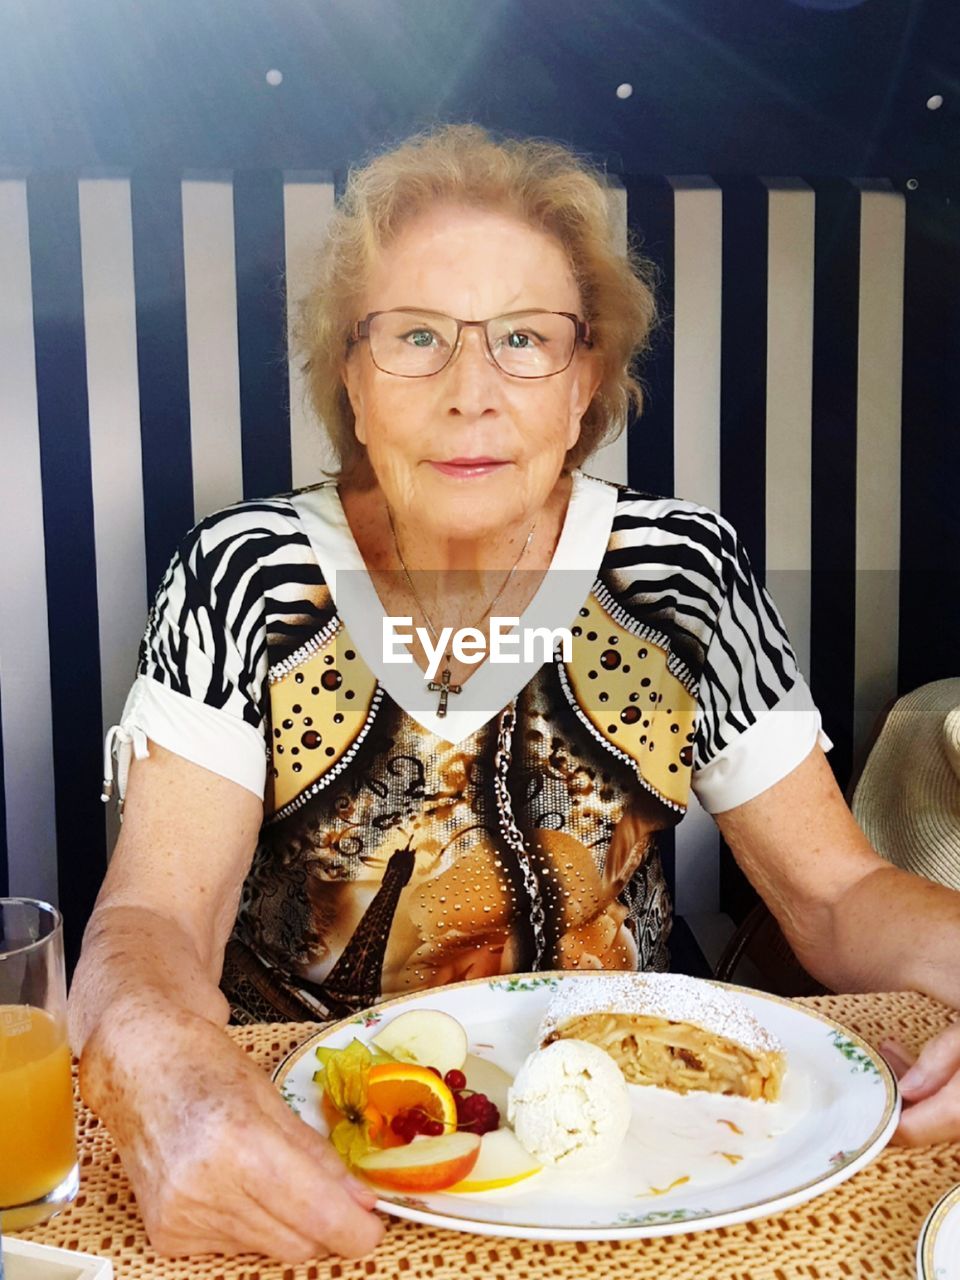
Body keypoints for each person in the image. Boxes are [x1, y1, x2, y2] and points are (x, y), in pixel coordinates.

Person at [69, 124, 960, 1262]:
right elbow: (151, 920)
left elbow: (838, 894)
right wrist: (163, 1075)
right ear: (349, 371)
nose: (471, 392)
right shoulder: (246, 576)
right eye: (418, 338)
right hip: (313, 1154)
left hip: (644, 1152)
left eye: (525, 339)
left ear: (588, 377)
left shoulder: (679, 573)